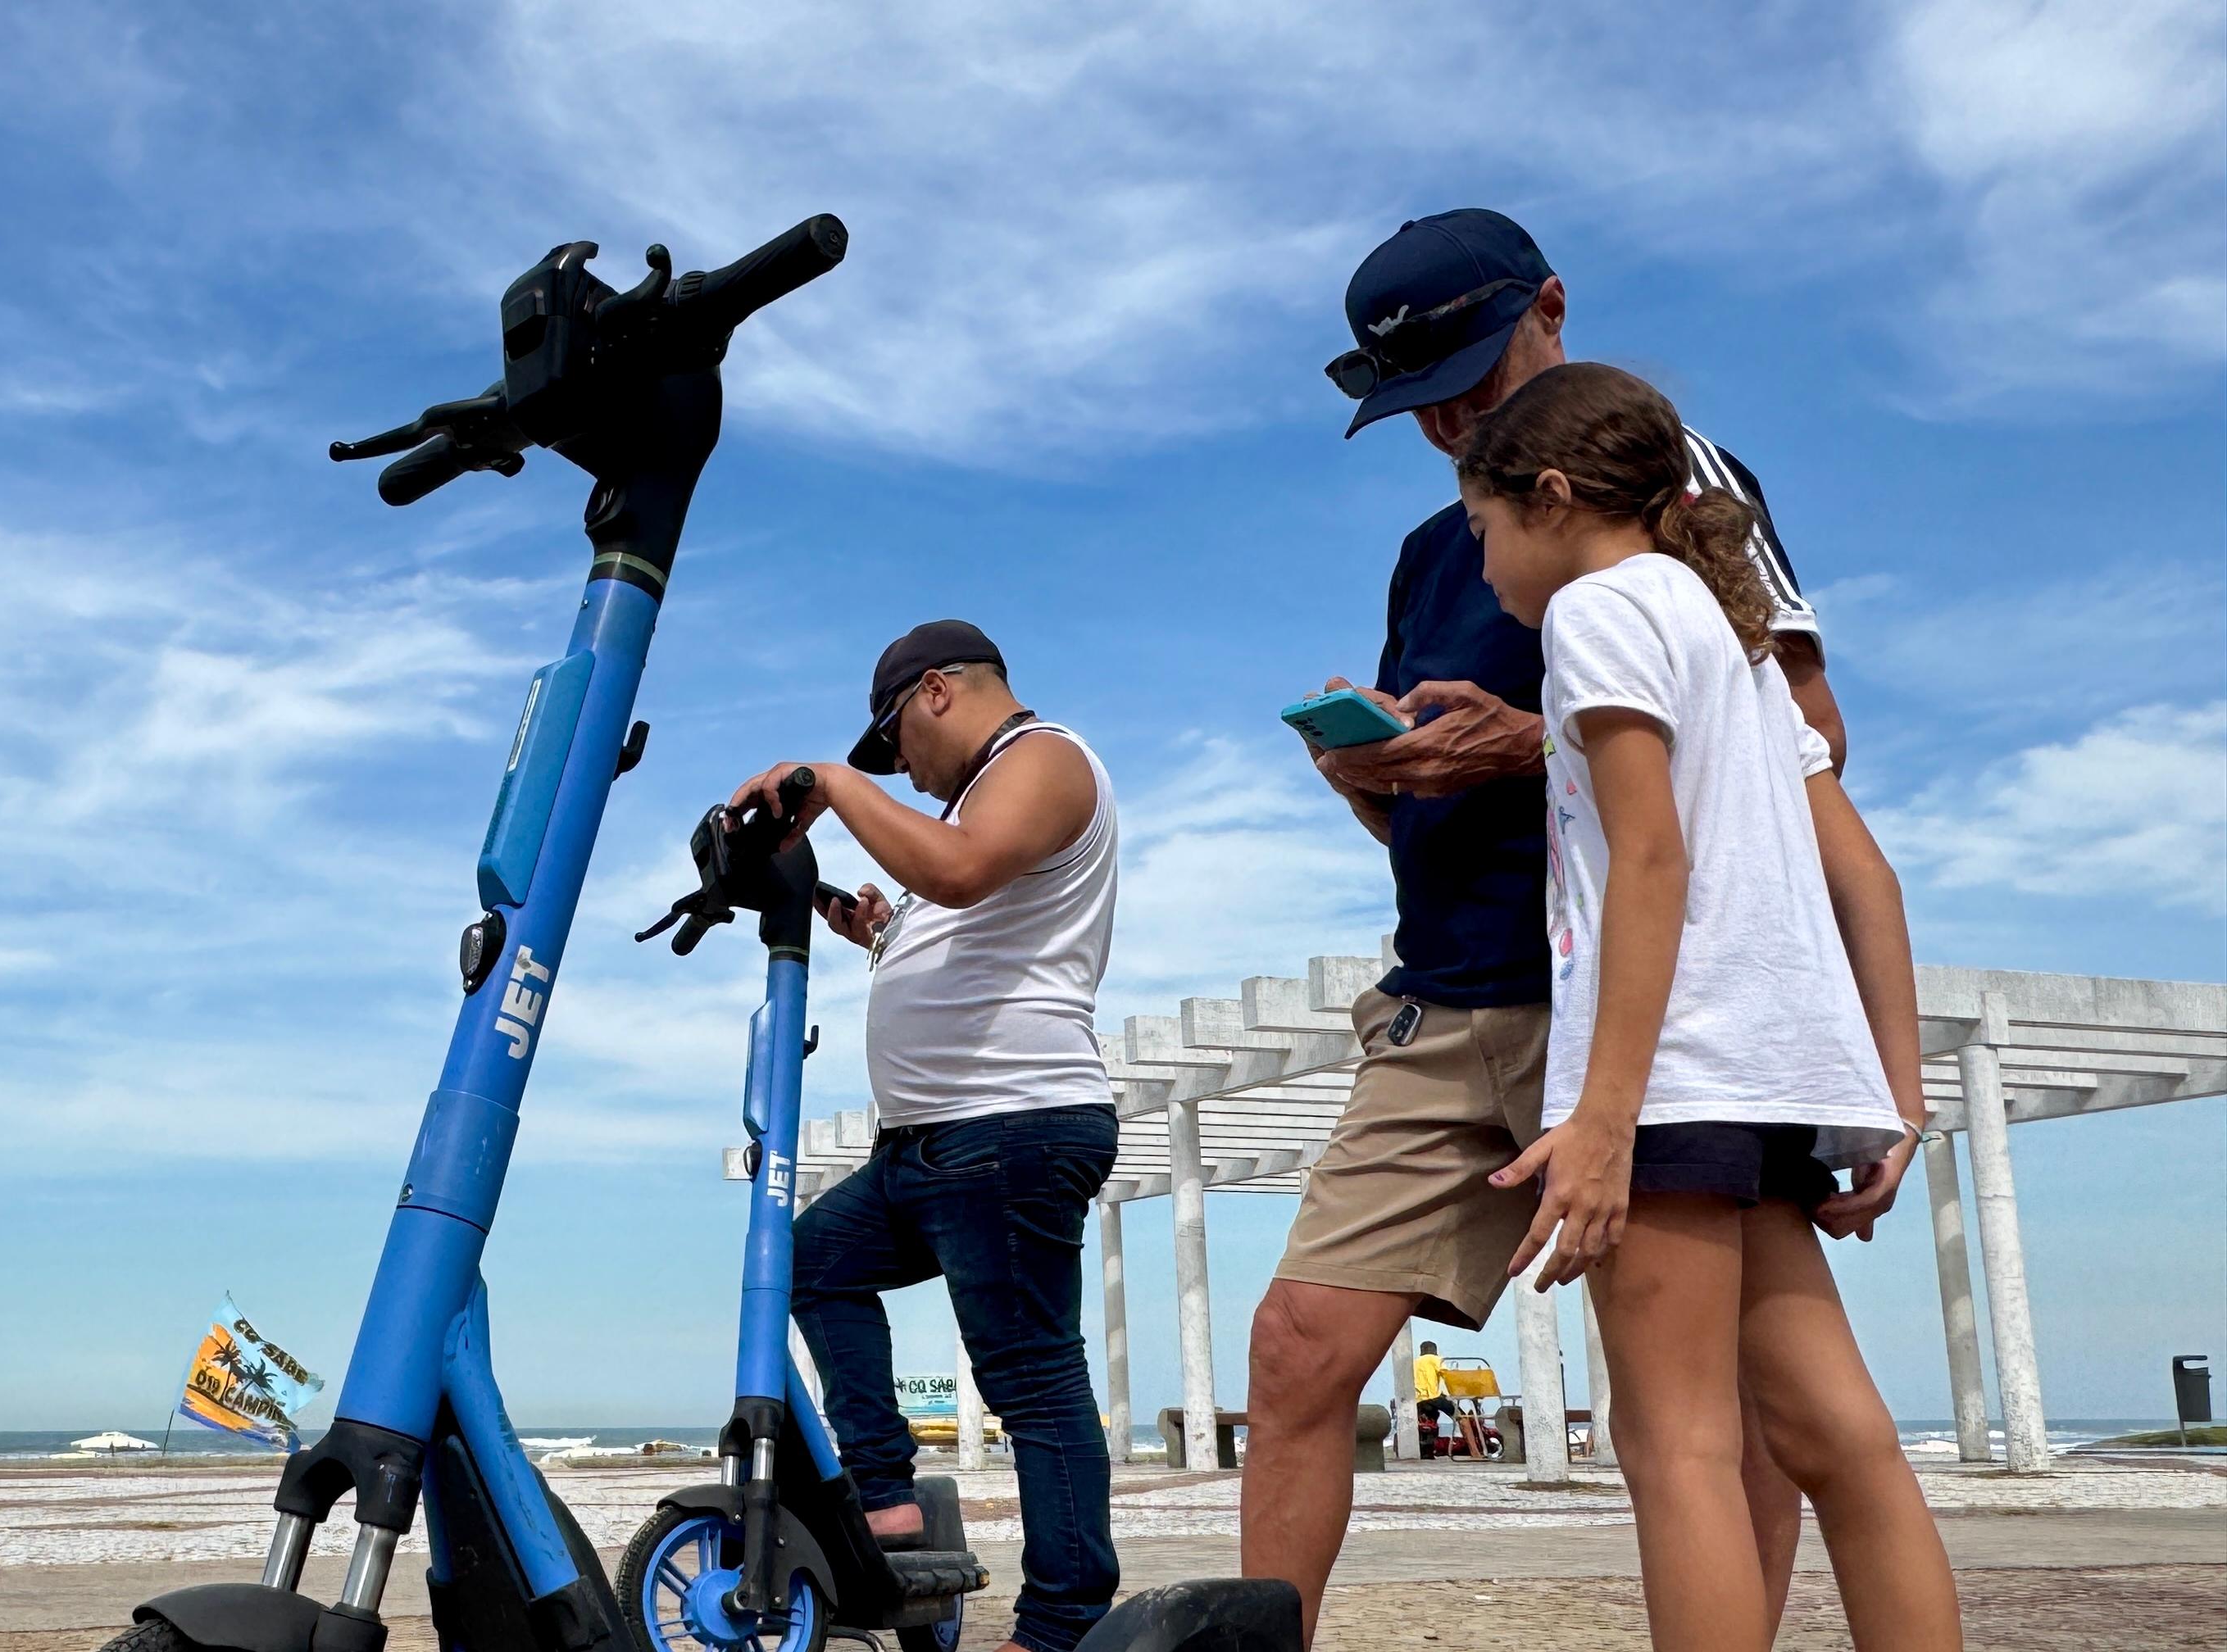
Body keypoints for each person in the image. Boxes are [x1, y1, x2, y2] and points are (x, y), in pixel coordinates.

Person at [1238, 208, 1851, 1643]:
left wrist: (1530, 743)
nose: (1449, 419)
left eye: (1466, 370)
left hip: (1627, 1004)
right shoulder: (1434, 549)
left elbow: (1795, 732)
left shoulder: (1680, 477)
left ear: (1552, 307)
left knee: (1695, 1405)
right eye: (1415, 402)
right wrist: (1368, 781)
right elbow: (1431, 817)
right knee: (1296, 1350)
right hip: (1441, 999)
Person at [1461, 360, 1959, 1650]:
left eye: (1485, 529)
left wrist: (1605, 1119)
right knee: (1838, 1440)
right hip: (1778, 1079)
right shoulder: (1731, 639)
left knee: (1676, 1446)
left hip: (1673, 1080)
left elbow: (1651, 857)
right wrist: (1893, 1103)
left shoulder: (1598, 611)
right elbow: (1870, 876)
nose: (1484, 569)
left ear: (1555, 497)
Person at [725, 620, 1121, 1652]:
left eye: (893, 739)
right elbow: (952, 906)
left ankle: (1063, 1627)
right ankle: (886, 1494)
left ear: (938, 691)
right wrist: (875, 928)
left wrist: (829, 783)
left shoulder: (1044, 758)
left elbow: (961, 871)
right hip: (931, 1148)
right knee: (809, 1262)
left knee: (1032, 1379)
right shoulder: (970, 800)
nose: (895, 762)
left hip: (1011, 1127)